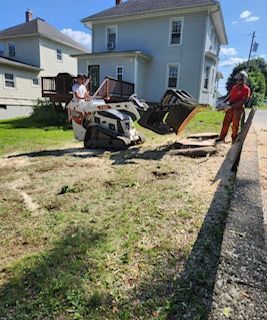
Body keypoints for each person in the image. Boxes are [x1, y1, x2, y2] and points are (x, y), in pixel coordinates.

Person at [217, 70, 251, 143]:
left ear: (244, 80)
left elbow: (244, 101)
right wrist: (224, 102)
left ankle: (234, 139)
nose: (238, 81)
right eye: (237, 79)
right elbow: (229, 96)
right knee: (225, 123)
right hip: (230, 108)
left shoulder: (246, 89)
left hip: (238, 109)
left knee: (235, 125)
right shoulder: (234, 87)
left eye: (240, 80)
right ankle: (221, 138)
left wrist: (231, 106)